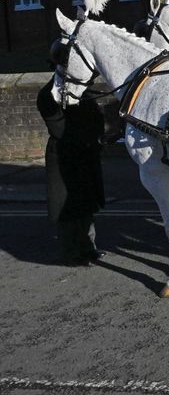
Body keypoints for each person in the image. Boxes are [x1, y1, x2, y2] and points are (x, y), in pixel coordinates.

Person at [37, 79, 106, 265]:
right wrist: (88, 138)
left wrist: (96, 137)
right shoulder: (48, 94)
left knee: (87, 203)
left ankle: (88, 248)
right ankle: (71, 252)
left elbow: (97, 117)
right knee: (67, 208)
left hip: (85, 153)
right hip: (64, 156)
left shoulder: (80, 90)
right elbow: (59, 128)